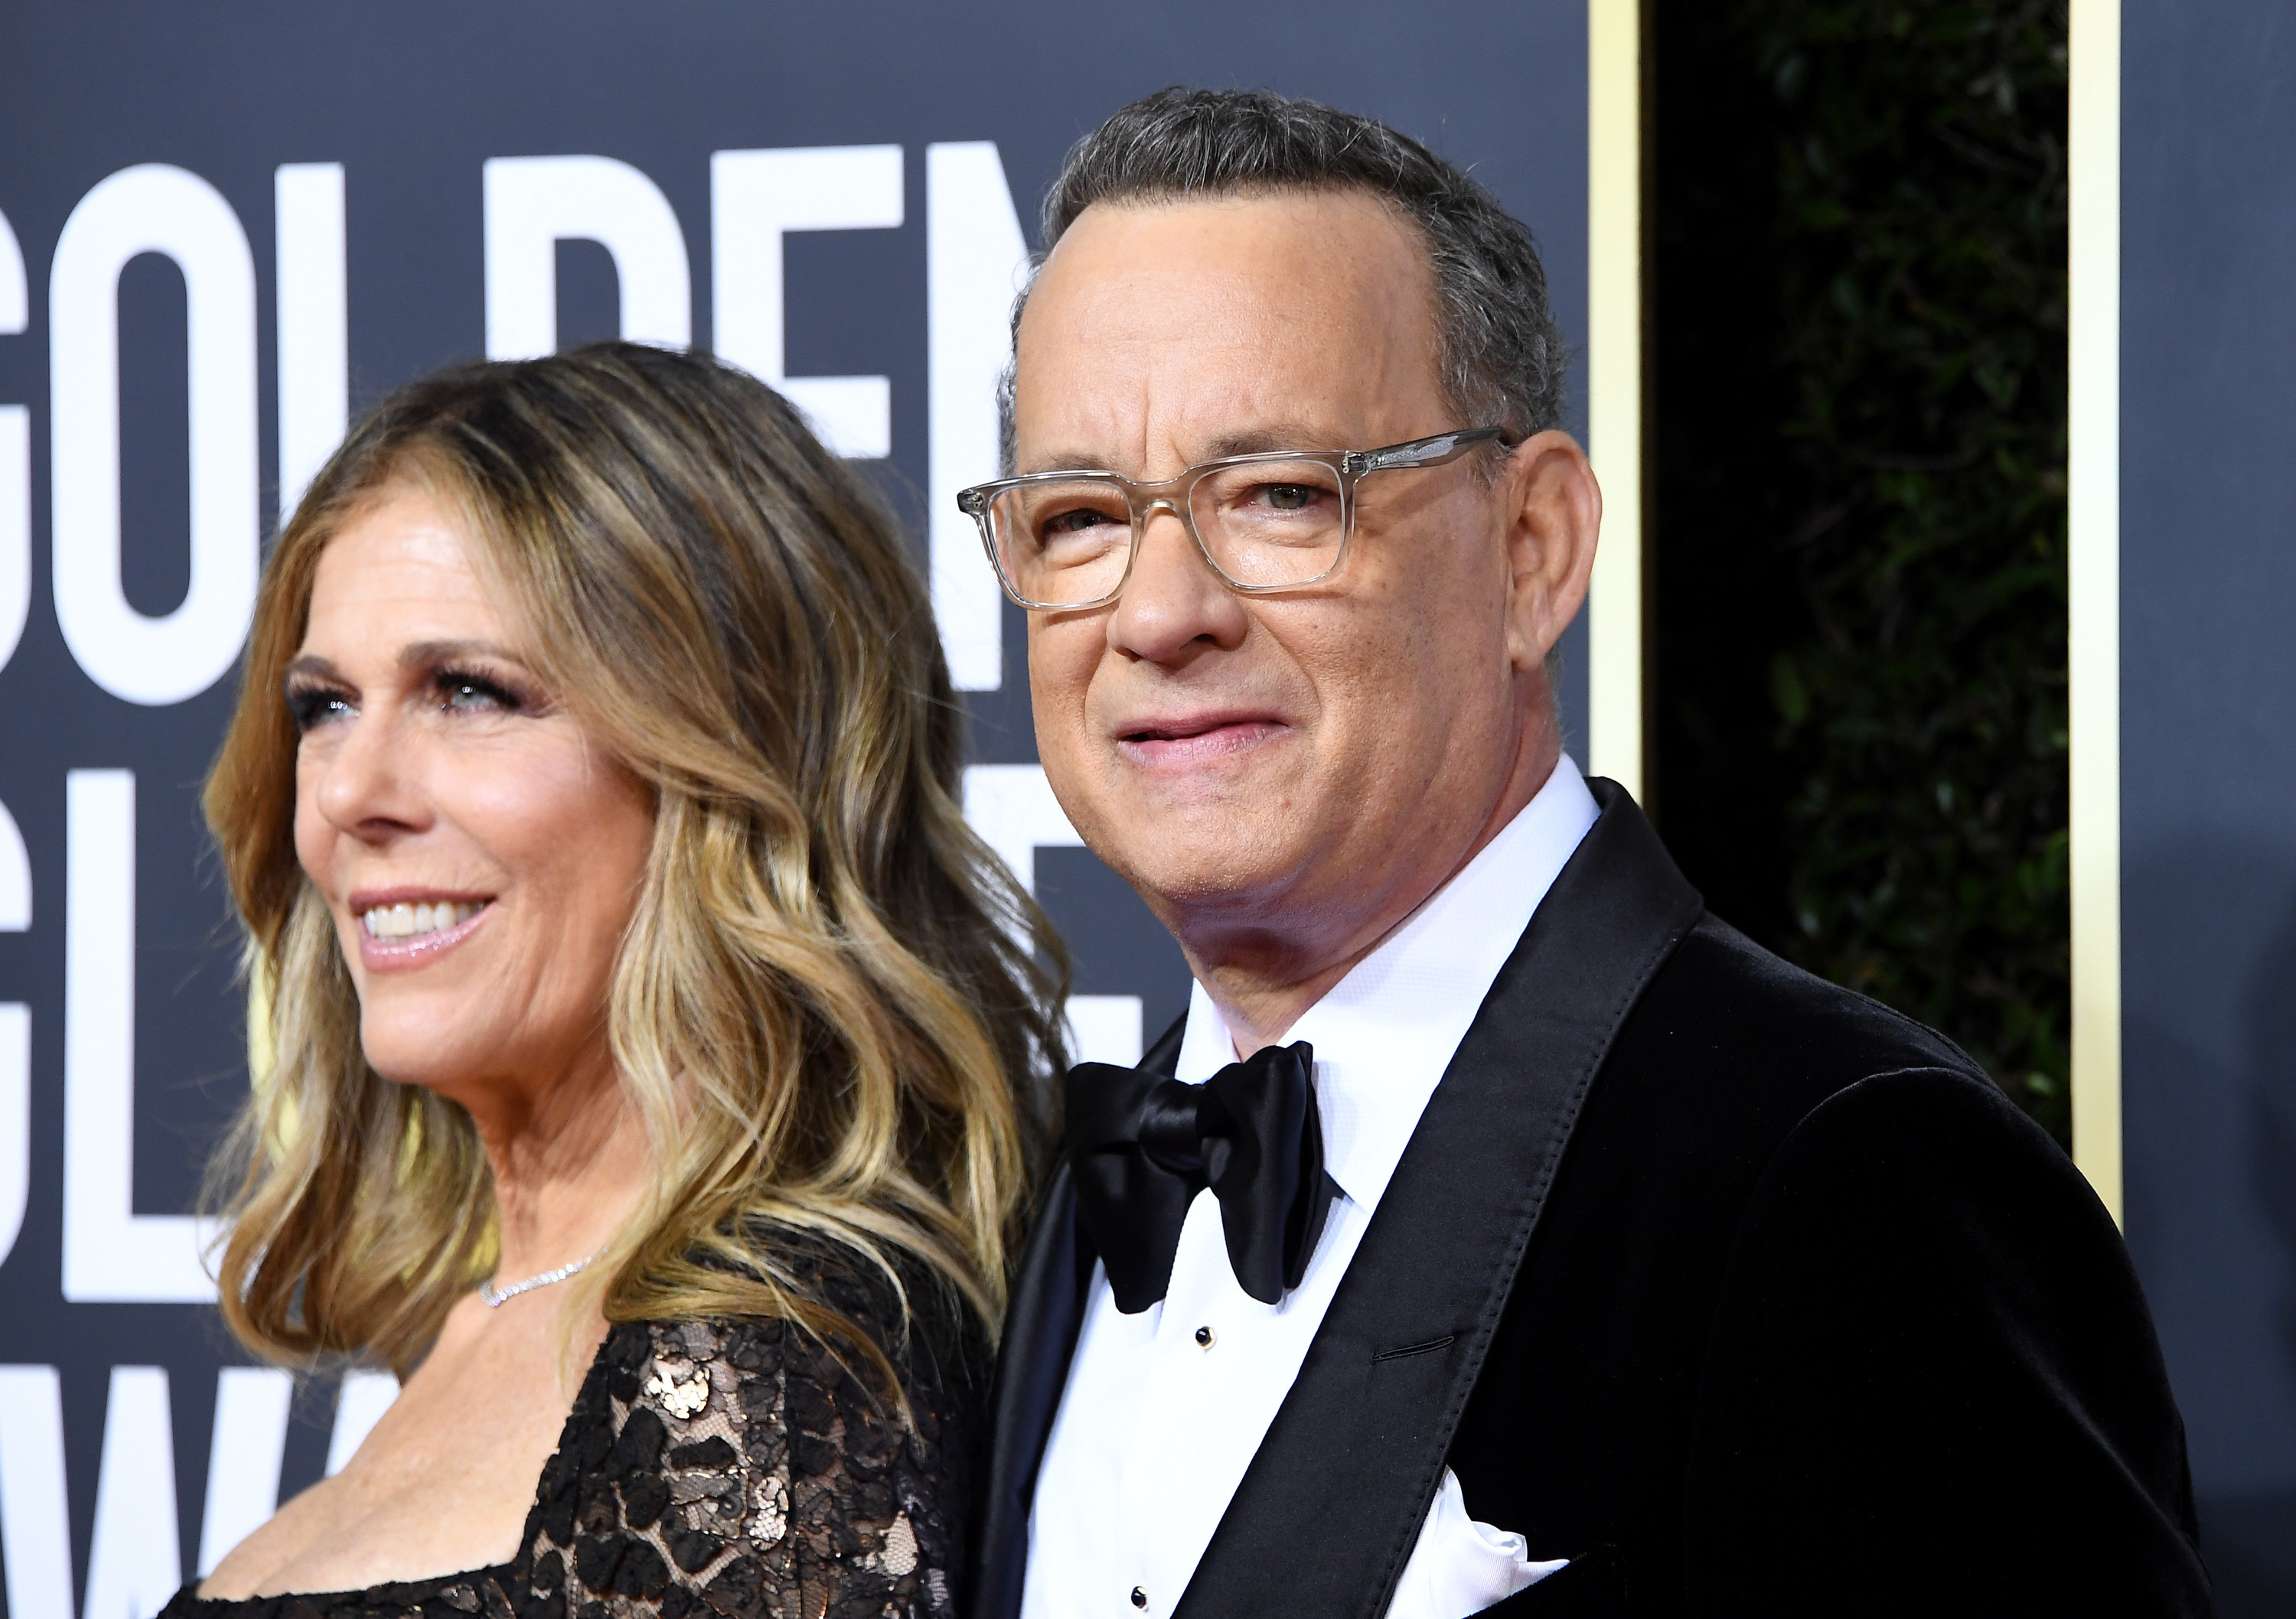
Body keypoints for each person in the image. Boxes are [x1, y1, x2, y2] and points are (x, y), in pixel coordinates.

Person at [964, 88, 2211, 1618]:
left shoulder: (1847, 1183)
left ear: (1533, 548)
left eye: (1283, 496)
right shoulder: (1043, 1212)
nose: (1160, 614)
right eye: (1081, 517)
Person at [178, 342, 1067, 1619]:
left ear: (726, 753)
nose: (352, 796)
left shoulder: (770, 1376)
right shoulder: (516, 1313)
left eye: (470, 692)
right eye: (323, 707)